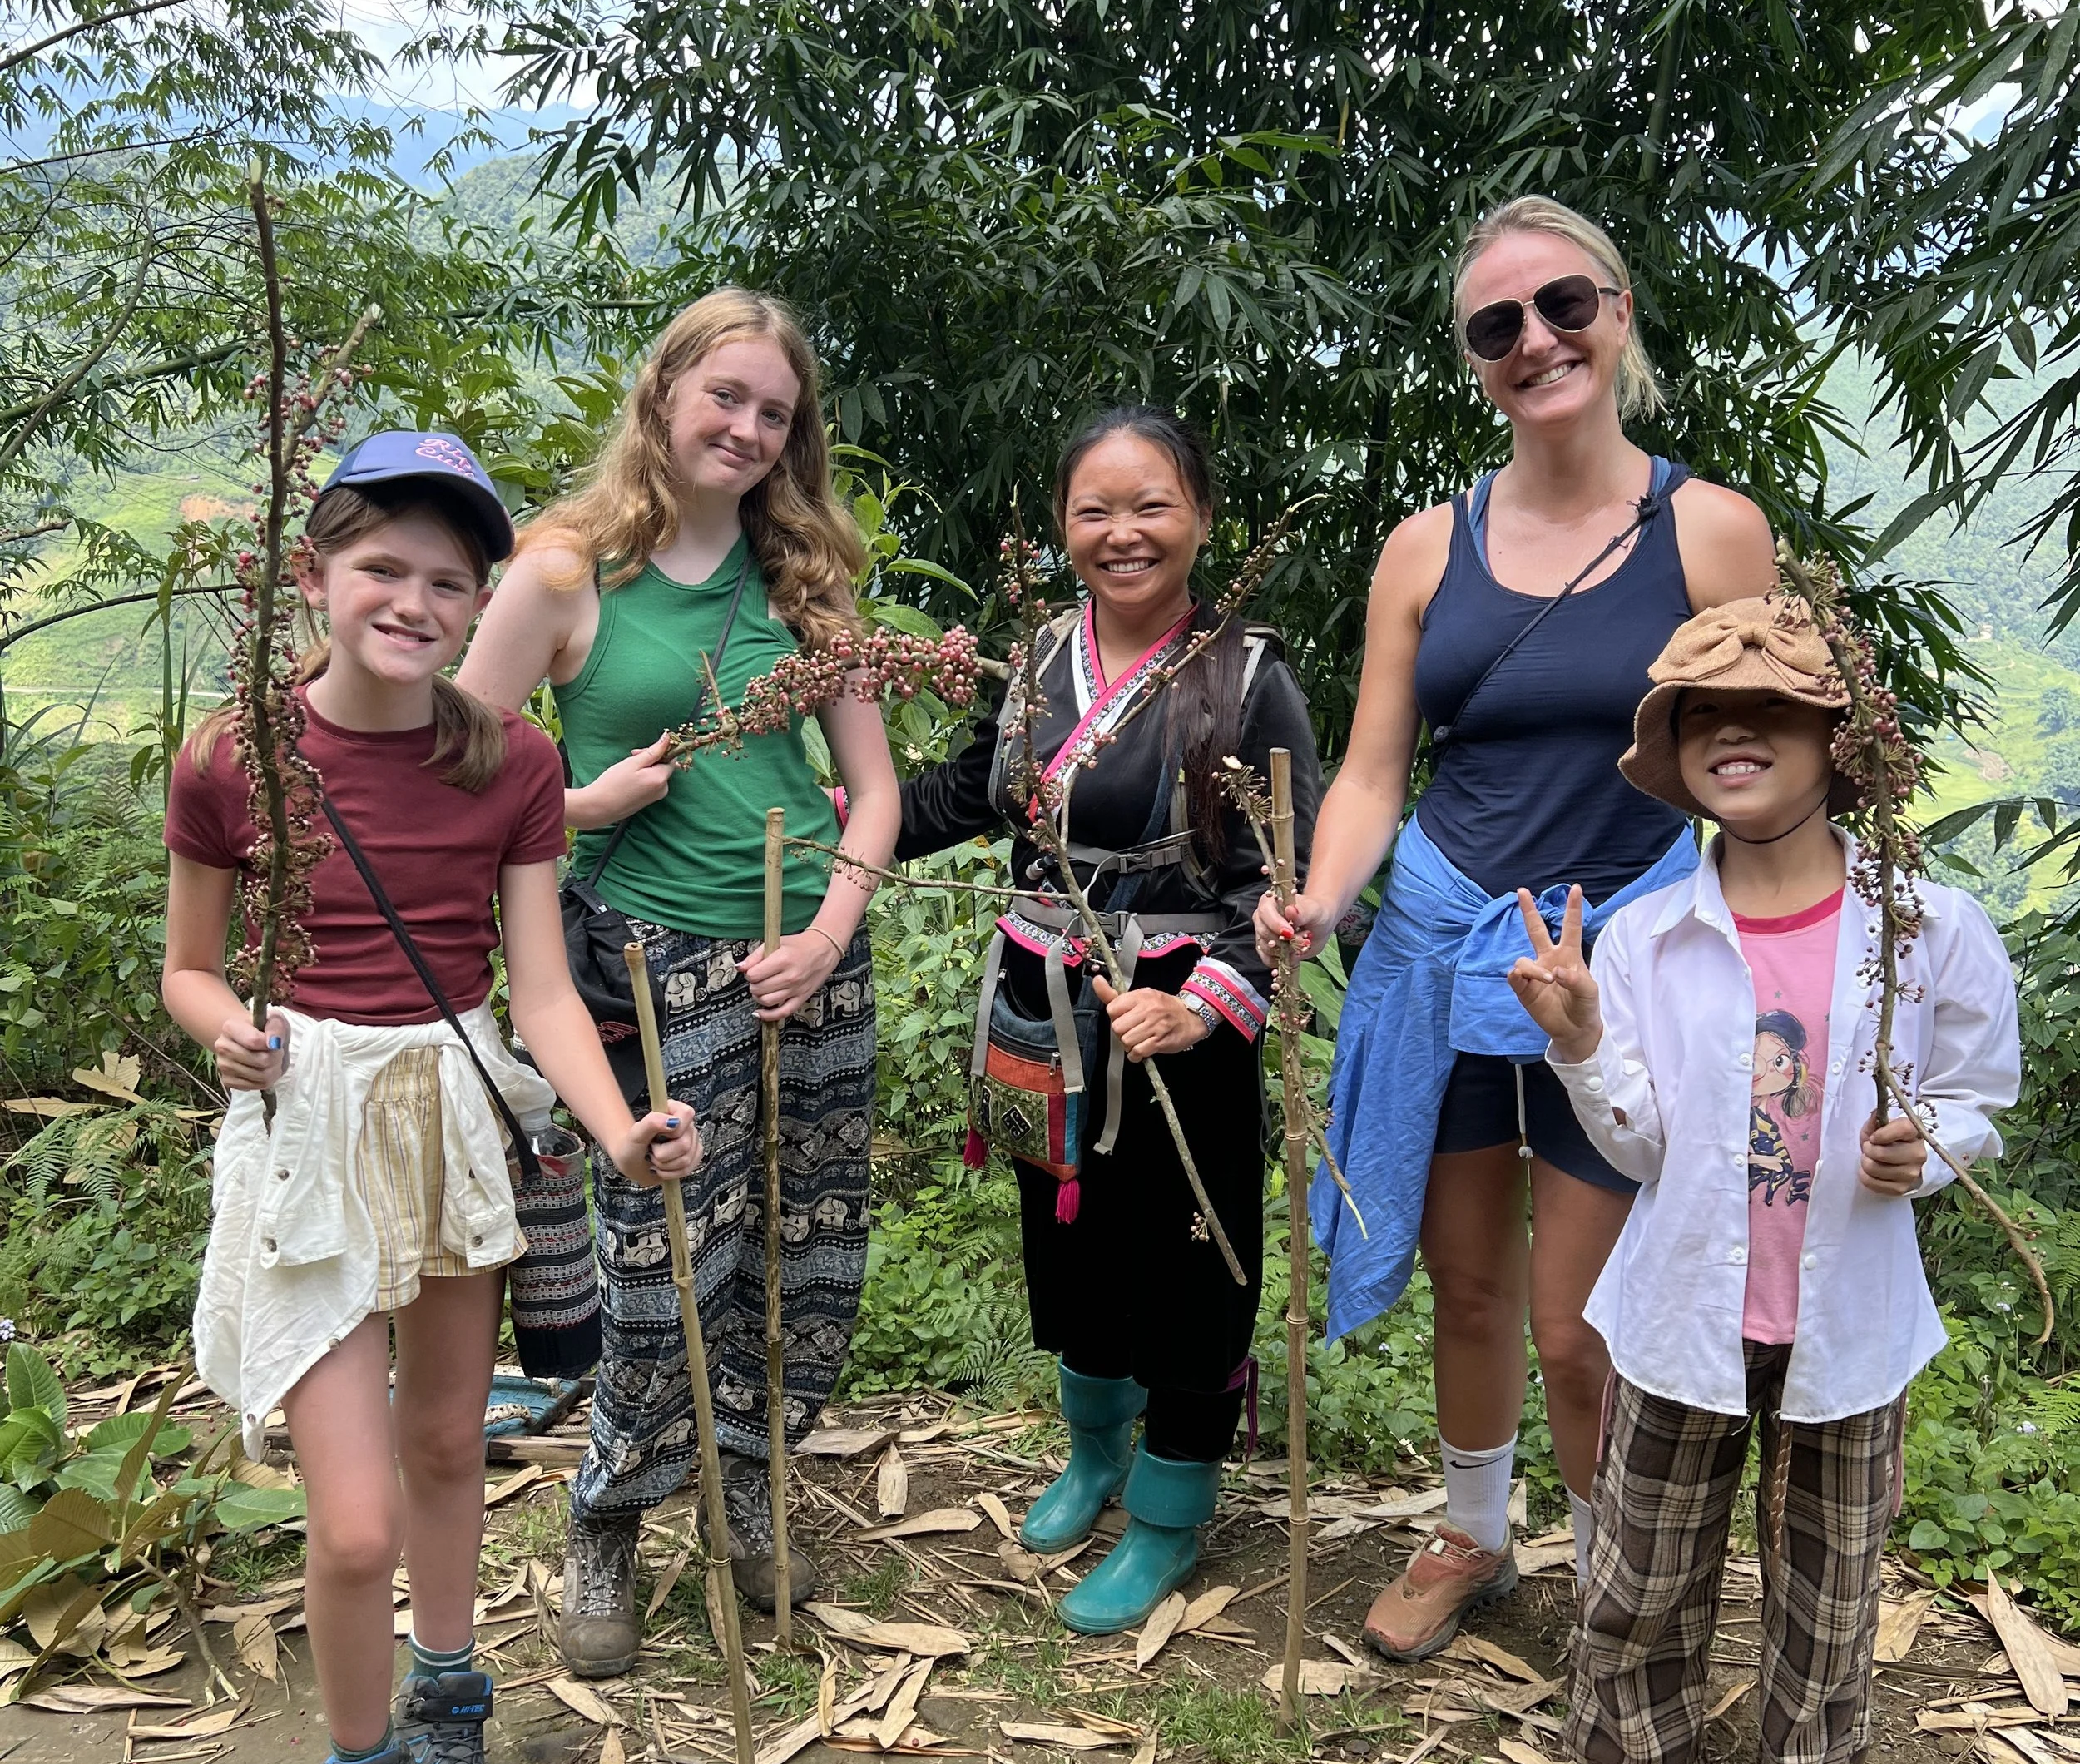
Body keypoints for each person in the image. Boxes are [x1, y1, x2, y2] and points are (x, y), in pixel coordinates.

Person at [164, 432, 700, 1764]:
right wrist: (231, 1032)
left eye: (446, 580)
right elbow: (188, 968)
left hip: (454, 1111)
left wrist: (615, 1132)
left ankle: (453, 1707)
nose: (412, 599)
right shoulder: (235, 758)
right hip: (309, 1127)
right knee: (347, 1528)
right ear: (315, 575)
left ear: (480, 605)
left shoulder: (508, 759)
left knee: (453, 1443)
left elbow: (537, 991)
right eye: (381, 567)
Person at [1257, 196, 1777, 1661]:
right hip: (1440, 946)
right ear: (1476, 361)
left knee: (1579, 1320)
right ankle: (1474, 1533)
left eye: (1563, 306)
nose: (1536, 340)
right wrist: (1324, 894)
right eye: (1500, 326)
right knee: (1469, 1283)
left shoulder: (1712, 529)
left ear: (1617, 313)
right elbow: (1372, 771)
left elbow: (1772, 757)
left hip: (1619, 970)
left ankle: (1617, 1567)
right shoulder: (1429, 547)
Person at [1508, 593, 2018, 1764]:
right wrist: (1575, 1037)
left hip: (1849, 1319)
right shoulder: (1647, 938)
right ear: (1671, 750)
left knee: (1832, 1576)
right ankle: (1631, 1762)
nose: (1737, 734)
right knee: (1647, 1555)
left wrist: (1930, 1138)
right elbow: (1636, 1143)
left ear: (1838, 743)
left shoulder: (1925, 929)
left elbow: (1976, 1090)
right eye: (1703, 716)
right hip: (1684, 1306)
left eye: (1775, 709)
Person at [459, 290, 900, 1672]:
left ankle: (750, 1480)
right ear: (663, 395)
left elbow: (873, 795)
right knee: (661, 1265)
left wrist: (828, 931)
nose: (750, 430)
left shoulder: (809, 582)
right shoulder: (564, 571)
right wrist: (584, 804)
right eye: (726, 397)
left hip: (806, 964)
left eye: (776, 411)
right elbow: (462, 771)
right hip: (649, 970)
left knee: (799, 1249)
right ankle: (608, 1517)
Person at [898, 408, 1320, 1631]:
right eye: (1096, 511)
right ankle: (1094, 1454)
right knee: (1065, 1235)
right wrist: (848, 810)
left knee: (1189, 1255)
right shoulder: (1036, 657)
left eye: (1152, 507)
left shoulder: (1248, 679)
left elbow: (1284, 881)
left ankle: (1171, 1514)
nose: (1123, 533)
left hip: (1175, 1016)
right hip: (1040, 1001)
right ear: (1063, 526)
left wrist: (1205, 1006)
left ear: (1199, 516)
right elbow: (970, 794)